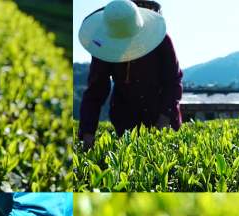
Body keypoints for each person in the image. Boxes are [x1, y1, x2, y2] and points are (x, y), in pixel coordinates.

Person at [78, 0, 183, 149]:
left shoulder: (161, 40)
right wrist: (88, 132)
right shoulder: (104, 47)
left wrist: (165, 116)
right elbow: (96, 90)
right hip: (125, 118)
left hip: (161, 112)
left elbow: (173, 81)